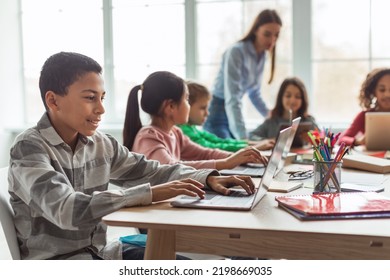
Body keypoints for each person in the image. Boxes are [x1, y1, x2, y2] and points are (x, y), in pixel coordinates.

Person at [8, 52, 256, 260]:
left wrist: (207, 178)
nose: (101, 109)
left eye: (102, 98)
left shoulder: (102, 144)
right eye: (90, 98)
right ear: (53, 100)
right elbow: (67, 209)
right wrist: (148, 194)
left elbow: (154, 171)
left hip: (103, 254)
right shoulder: (29, 148)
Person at [123, 71, 268, 170]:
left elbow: (206, 153)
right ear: (171, 106)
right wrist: (226, 163)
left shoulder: (176, 133)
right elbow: (171, 168)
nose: (188, 104)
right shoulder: (148, 136)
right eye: (186, 99)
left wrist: (238, 157)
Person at [203, 9, 282, 140]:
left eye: (276, 35)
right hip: (217, 112)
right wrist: (243, 138)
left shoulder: (262, 55)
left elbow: (254, 93)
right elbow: (232, 98)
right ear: (256, 30)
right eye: (267, 34)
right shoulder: (236, 52)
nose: (272, 40)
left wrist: (272, 116)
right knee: (229, 153)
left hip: (232, 112)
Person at [178, 81, 275, 152]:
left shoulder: (193, 129)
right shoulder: (184, 132)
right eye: (203, 108)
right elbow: (212, 147)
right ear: (187, 106)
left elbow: (219, 141)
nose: (207, 113)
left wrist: (256, 144)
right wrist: (253, 147)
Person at [249, 77, 317, 147]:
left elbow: (321, 139)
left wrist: (312, 139)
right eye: (288, 96)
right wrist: (266, 141)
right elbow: (251, 136)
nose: (292, 100)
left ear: (303, 100)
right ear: (281, 97)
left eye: (298, 96)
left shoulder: (309, 121)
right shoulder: (271, 122)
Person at [339, 67, 390, 146]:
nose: (387, 94)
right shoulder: (364, 115)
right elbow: (342, 139)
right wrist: (358, 141)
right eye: (382, 90)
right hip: (372, 157)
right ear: (374, 91)